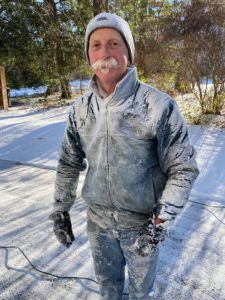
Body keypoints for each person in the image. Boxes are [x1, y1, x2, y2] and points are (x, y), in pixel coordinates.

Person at [49, 12, 199, 300]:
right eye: (96, 44)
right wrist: (59, 209)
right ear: (89, 55)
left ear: (128, 53)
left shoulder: (157, 106)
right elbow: (69, 162)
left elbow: (183, 169)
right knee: (109, 290)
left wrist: (159, 222)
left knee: (142, 293)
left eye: (114, 43)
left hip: (142, 224)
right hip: (99, 223)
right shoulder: (80, 109)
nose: (105, 52)